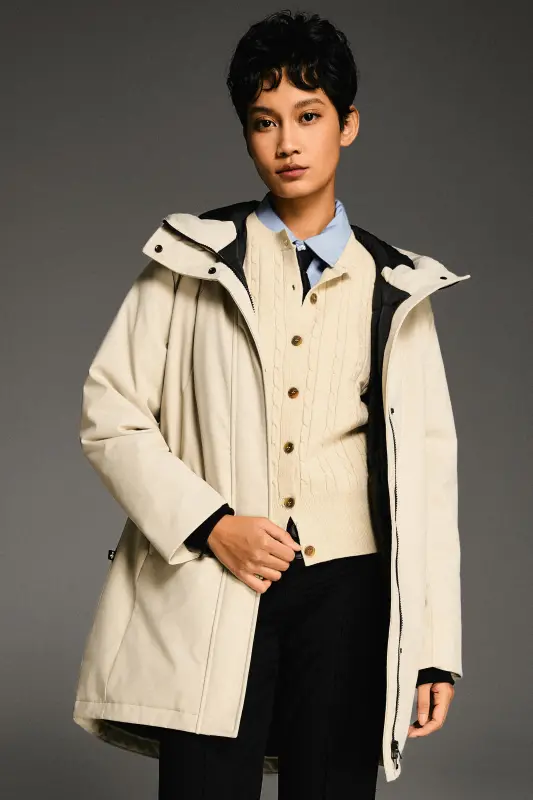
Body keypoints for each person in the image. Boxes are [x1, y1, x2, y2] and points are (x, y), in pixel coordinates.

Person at [72, 9, 467, 799]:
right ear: (247, 134)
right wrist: (211, 524)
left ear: (347, 125)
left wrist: (432, 650)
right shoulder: (189, 262)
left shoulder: (397, 287)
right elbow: (109, 415)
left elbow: (428, 478)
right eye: (264, 121)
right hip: (213, 582)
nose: (287, 142)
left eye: (308, 117)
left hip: (351, 597)